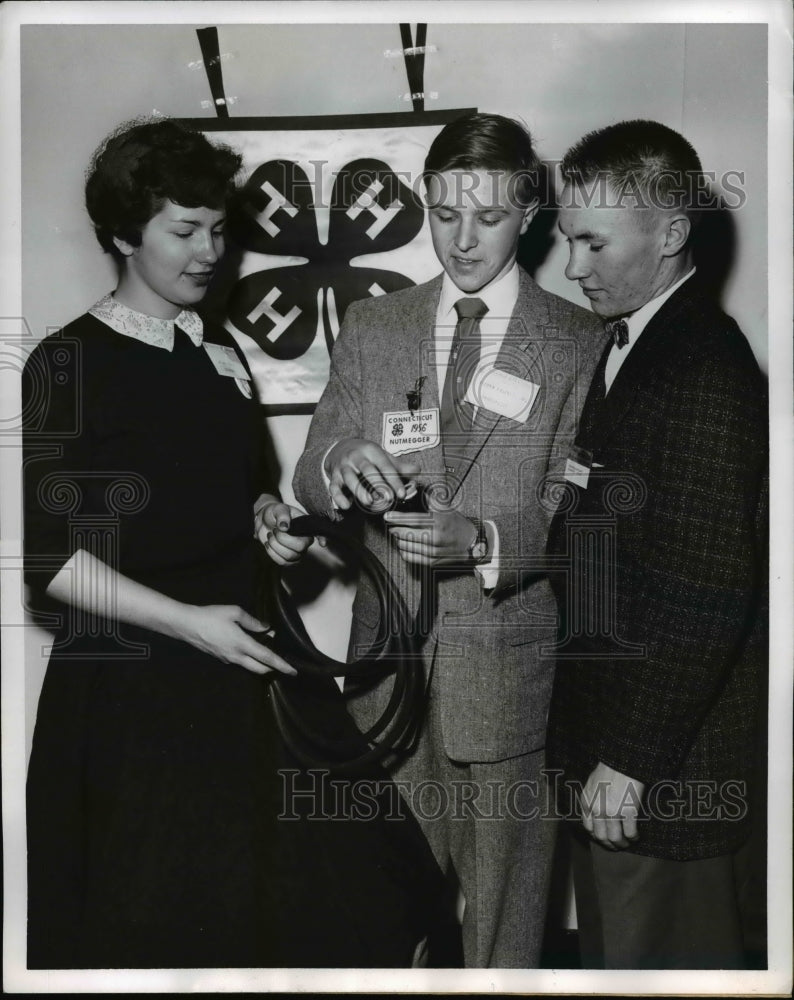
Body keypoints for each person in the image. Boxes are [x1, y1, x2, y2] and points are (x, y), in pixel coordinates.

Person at [22, 118, 444, 970]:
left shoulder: (223, 351)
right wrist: (189, 622)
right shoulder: (67, 363)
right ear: (120, 235)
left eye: (218, 228)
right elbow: (49, 560)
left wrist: (267, 523)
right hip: (137, 692)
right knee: (164, 916)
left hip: (246, 664)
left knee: (356, 893)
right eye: (184, 230)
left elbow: (236, 492)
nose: (209, 251)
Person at [293, 112, 605, 968]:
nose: (462, 240)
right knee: (385, 906)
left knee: (505, 919)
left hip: (506, 671)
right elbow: (310, 471)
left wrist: (488, 539)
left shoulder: (579, 342)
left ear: (531, 216)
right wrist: (338, 461)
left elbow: (579, 512)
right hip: (385, 673)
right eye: (443, 213)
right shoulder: (375, 326)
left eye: (490, 218)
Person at [546, 119, 767, 969]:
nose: (573, 267)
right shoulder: (635, 341)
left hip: (660, 776)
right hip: (625, 757)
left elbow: (707, 588)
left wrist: (631, 761)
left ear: (672, 234)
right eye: (570, 241)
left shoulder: (703, 368)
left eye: (594, 242)